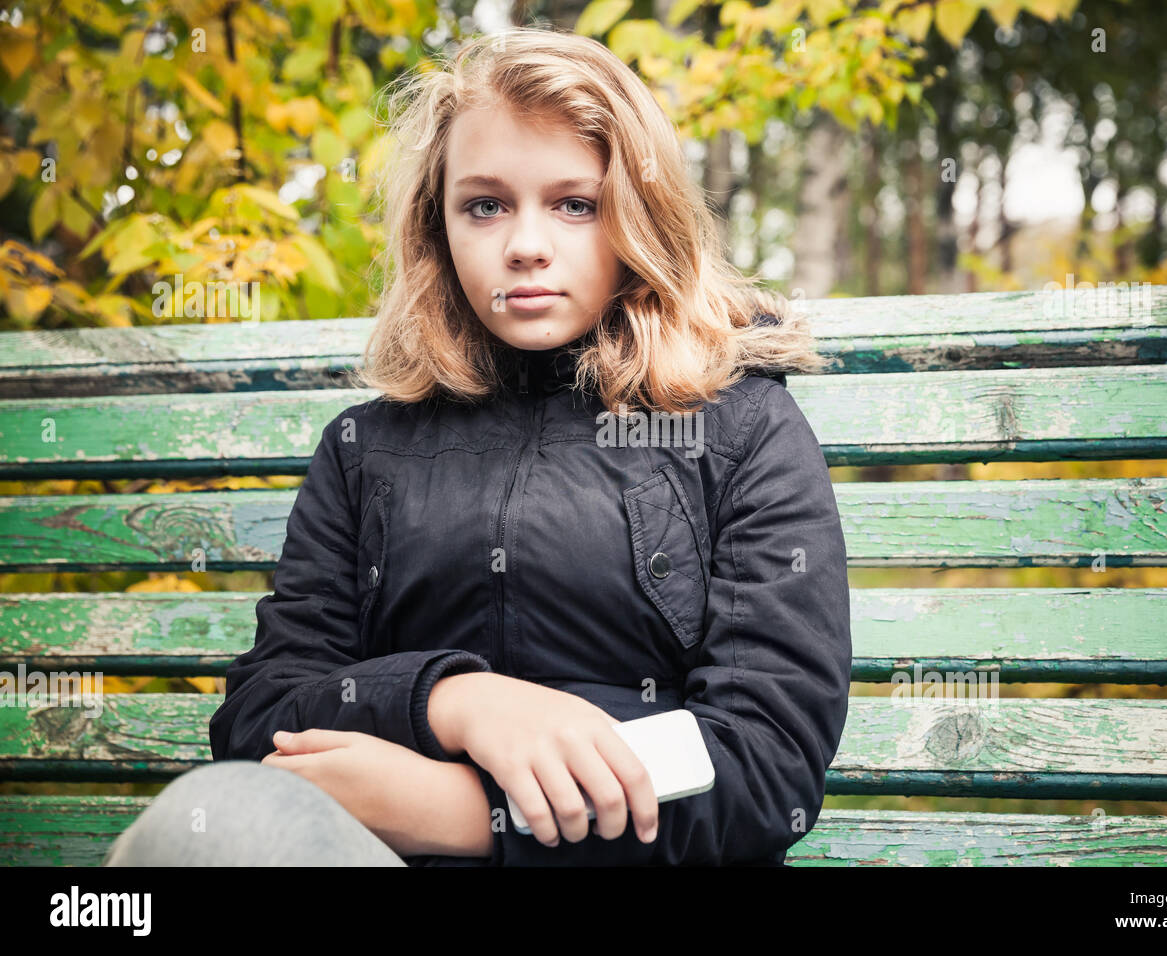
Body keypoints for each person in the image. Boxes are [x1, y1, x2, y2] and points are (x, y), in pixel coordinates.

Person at [103, 25, 850, 868]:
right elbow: (261, 714)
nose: (526, 244)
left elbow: (767, 766)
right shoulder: (365, 449)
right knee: (209, 821)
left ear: (638, 215)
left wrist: (469, 812)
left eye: (576, 203)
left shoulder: (745, 430)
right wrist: (455, 702)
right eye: (485, 204)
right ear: (438, 226)